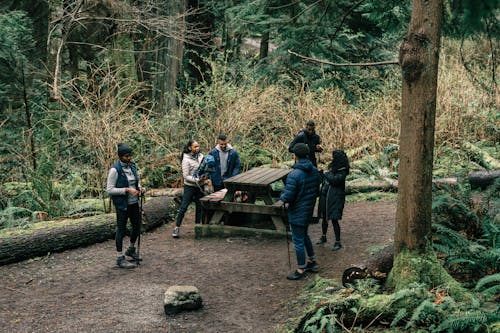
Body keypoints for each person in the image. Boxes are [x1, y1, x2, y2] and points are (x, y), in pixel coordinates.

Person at [279, 143, 321, 280]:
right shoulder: (314, 170)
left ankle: (301, 268)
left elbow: (288, 196)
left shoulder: (294, 175)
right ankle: (312, 262)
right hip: (308, 209)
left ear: (295, 156)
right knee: (305, 235)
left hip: (297, 211)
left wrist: (282, 196)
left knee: (298, 240)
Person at [106, 143, 145, 269]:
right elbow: (109, 190)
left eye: (130, 156)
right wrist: (127, 190)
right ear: (121, 156)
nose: (129, 158)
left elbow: (135, 182)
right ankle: (119, 257)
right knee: (121, 229)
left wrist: (140, 188)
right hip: (122, 205)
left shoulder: (132, 166)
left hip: (134, 203)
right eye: (126, 156)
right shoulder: (114, 170)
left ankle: (131, 249)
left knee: (137, 226)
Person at [172, 139, 211, 238]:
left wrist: (206, 177)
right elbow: (186, 176)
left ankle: (198, 229)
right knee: (184, 207)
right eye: (195, 147)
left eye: (198, 146)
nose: (197, 148)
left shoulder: (202, 156)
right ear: (190, 148)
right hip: (190, 187)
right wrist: (197, 180)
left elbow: (205, 169)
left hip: (200, 187)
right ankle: (176, 228)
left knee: (199, 207)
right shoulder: (186, 160)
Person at [316, 150, 350, 251]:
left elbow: (335, 180)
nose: (332, 158)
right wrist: (321, 174)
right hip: (325, 195)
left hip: (335, 197)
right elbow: (325, 179)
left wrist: (326, 174)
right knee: (324, 217)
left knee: (334, 219)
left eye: (334, 156)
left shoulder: (343, 170)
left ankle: (338, 242)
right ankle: (323, 236)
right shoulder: (333, 166)